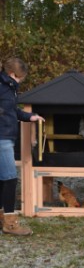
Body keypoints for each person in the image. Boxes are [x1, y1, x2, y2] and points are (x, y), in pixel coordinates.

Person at [0, 57, 44, 235]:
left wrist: (30, 117)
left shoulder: (9, 88)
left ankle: (3, 218)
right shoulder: (3, 87)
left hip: (6, 136)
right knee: (10, 179)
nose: (21, 81)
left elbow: (12, 111)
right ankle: (10, 224)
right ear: (12, 74)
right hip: (1, 137)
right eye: (20, 77)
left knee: (3, 179)